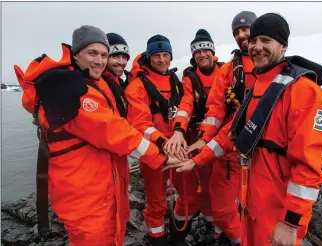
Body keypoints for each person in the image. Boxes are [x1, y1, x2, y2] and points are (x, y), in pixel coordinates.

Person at [163, 13, 322, 246]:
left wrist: (291, 222)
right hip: (251, 200)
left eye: (266, 40)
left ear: (283, 46)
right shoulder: (259, 88)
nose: (256, 46)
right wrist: (197, 159)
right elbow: (231, 134)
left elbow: (308, 167)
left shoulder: (305, 92)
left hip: (277, 210)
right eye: (253, 41)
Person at [14, 25, 180, 246]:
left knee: (113, 234)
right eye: (92, 53)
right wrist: (161, 158)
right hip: (86, 196)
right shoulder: (73, 91)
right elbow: (114, 131)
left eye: (104, 54)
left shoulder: (95, 83)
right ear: (76, 55)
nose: (100, 61)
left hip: (102, 187)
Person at [182, 11, 257, 245]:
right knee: (220, 201)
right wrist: (203, 139)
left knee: (253, 206)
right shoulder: (226, 71)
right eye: (237, 32)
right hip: (228, 149)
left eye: (246, 30)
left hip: (260, 154)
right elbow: (214, 112)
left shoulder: (274, 69)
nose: (242, 35)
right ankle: (232, 235)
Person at [125, 34, 199, 246]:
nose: (161, 60)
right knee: (156, 202)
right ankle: (156, 239)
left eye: (166, 55)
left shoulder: (177, 82)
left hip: (179, 150)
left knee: (190, 198)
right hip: (154, 153)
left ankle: (177, 236)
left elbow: (185, 108)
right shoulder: (137, 87)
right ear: (149, 57)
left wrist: (178, 135)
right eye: (156, 55)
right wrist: (163, 143)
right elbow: (139, 123)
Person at [163, 29, 224, 245]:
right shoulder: (189, 78)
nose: (202, 54)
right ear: (193, 55)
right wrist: (179, 130)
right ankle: (178, 232)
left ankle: (212, 227)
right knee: (187, 190)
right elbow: (186, 103)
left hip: (220, 141)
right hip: (193, 138)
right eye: (197, 51)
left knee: (211, 188)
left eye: (206, 49)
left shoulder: (226, 72)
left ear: (213, 51)